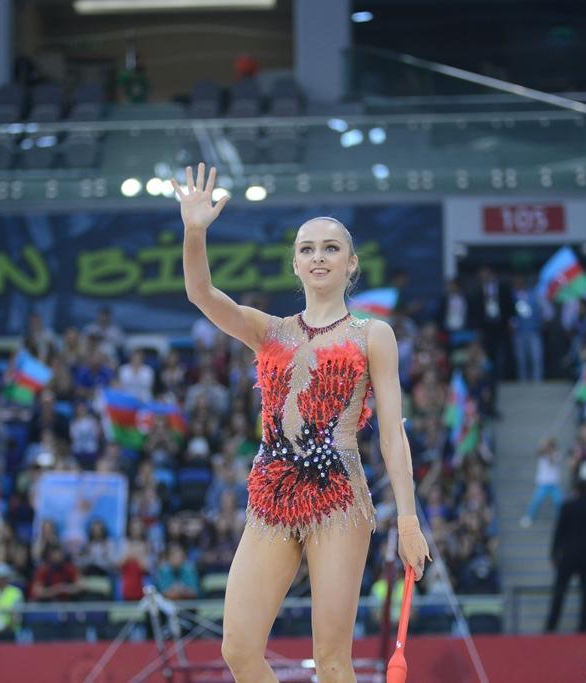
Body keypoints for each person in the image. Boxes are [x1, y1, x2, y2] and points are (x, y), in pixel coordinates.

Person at [176, 163, 430, 683]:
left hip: (338, 496)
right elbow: (202, 293)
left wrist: (407, 519)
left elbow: (391, 431)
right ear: (294, 263)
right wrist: (194, 231)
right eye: (308, 248)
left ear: (351, 264)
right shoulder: (267, 331)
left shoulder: (372, 334)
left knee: (333, 661)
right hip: (270, 497)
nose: (319, 256)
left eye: (331, 248)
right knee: (238, 649)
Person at [544, 479, 586, 633]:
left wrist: (553, 553)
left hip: (568, 555)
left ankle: (551, 626)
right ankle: (584, 627)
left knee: (559, 591)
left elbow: (559, 532)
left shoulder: (568, 506)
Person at [520, 436, 564, 528]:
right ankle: (528, 517)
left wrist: (549, 449)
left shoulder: (557, 454)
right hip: (543, 483)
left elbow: (552, 461)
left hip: (554, 484)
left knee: (559, 502)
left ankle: (562, 520)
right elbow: (538, 451)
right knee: (536, 501)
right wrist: (543, 444)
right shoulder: (542, 453)